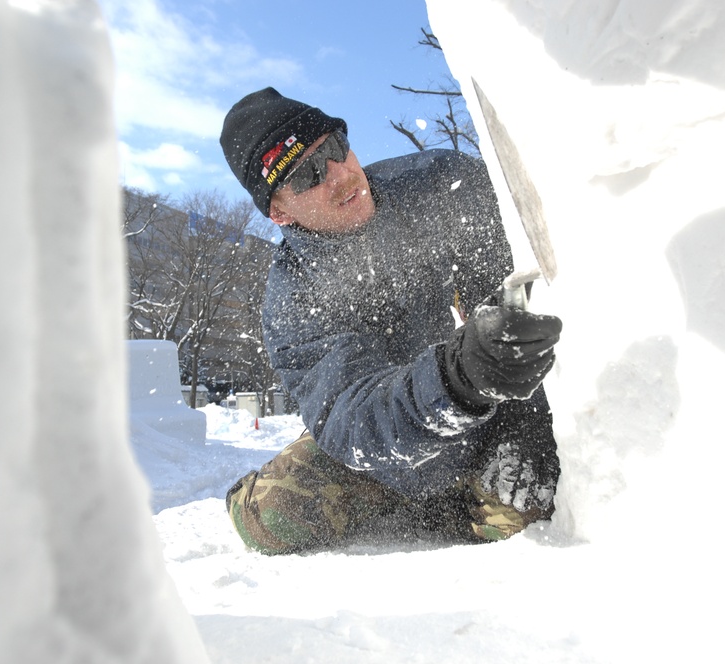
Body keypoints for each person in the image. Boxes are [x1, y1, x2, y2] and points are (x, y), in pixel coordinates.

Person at [220, 87, 562, 554]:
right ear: (279, 211)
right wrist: (456, 380)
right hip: (382, 450)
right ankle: (388, 501)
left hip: (492, 416)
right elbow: (355, 419)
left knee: (528, 507)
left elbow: (526, 291)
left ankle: (445, 508)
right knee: (268, 521)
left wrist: (530, 416)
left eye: (336, 149)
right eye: (309, 175)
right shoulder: (293, 301)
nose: (341, 176)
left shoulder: (444, 184)